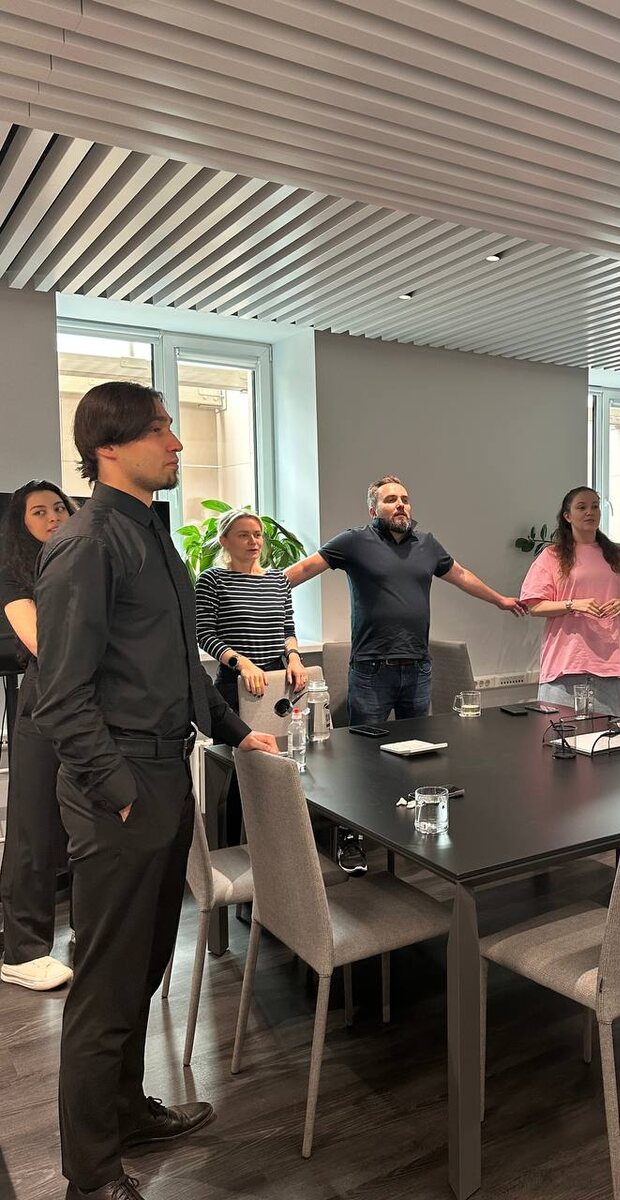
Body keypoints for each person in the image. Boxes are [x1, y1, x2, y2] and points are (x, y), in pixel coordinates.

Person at [32, 381, 279, 1200]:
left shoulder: (153, 536)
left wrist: (237, 731)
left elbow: (181, 667)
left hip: (167, 775)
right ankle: (91, 1174)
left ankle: (125, 1113)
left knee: (141, 968)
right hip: (124, 787)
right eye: (161, 430)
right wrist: (120, 790)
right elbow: (59, 695)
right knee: (105, 984)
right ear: (109, 447)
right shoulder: (87, 542)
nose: (176, 443)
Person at [285, 475, 524, 872]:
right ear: (373, 509)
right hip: (371, 671)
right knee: (362, 762)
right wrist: (255, 592)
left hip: (418, 669)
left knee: (419, 757)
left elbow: (462, 575)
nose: (400, 505)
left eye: (405, 499)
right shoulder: (354, 542)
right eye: (390, 499)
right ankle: (351, 838)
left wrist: (499, 600)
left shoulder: (426, 544)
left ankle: (411, 840)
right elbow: (299, 571)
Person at [0, 480, 77, 991]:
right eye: (38, 512)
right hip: (44, 707)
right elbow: (43, 643)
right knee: (33, 828)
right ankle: (22, 952)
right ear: (22, 525)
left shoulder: (85, 564)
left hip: (91, 708)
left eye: (58, 508)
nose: (52, 517)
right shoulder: (15, 577)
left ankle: (87, 929)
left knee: (88, 826)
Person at [518, 486, 620, 715]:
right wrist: (573, 604)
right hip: (566, 663)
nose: (590, 512)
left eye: (595, 506)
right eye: (582, 507)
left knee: (612, 734)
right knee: (558, 732)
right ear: (567, 515)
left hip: (613, 663)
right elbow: (535, 606)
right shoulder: (552, 556)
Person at [195, 508, 308, 712]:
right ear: (224, 541)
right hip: (234, 680)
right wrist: (242, 664)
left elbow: (287, 630)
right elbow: (204, 635)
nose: (253, 541)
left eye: (257, 534)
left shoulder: (278, 580)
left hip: (278, 679)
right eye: (243, 535)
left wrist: (294, 658)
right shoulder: (212, 580)